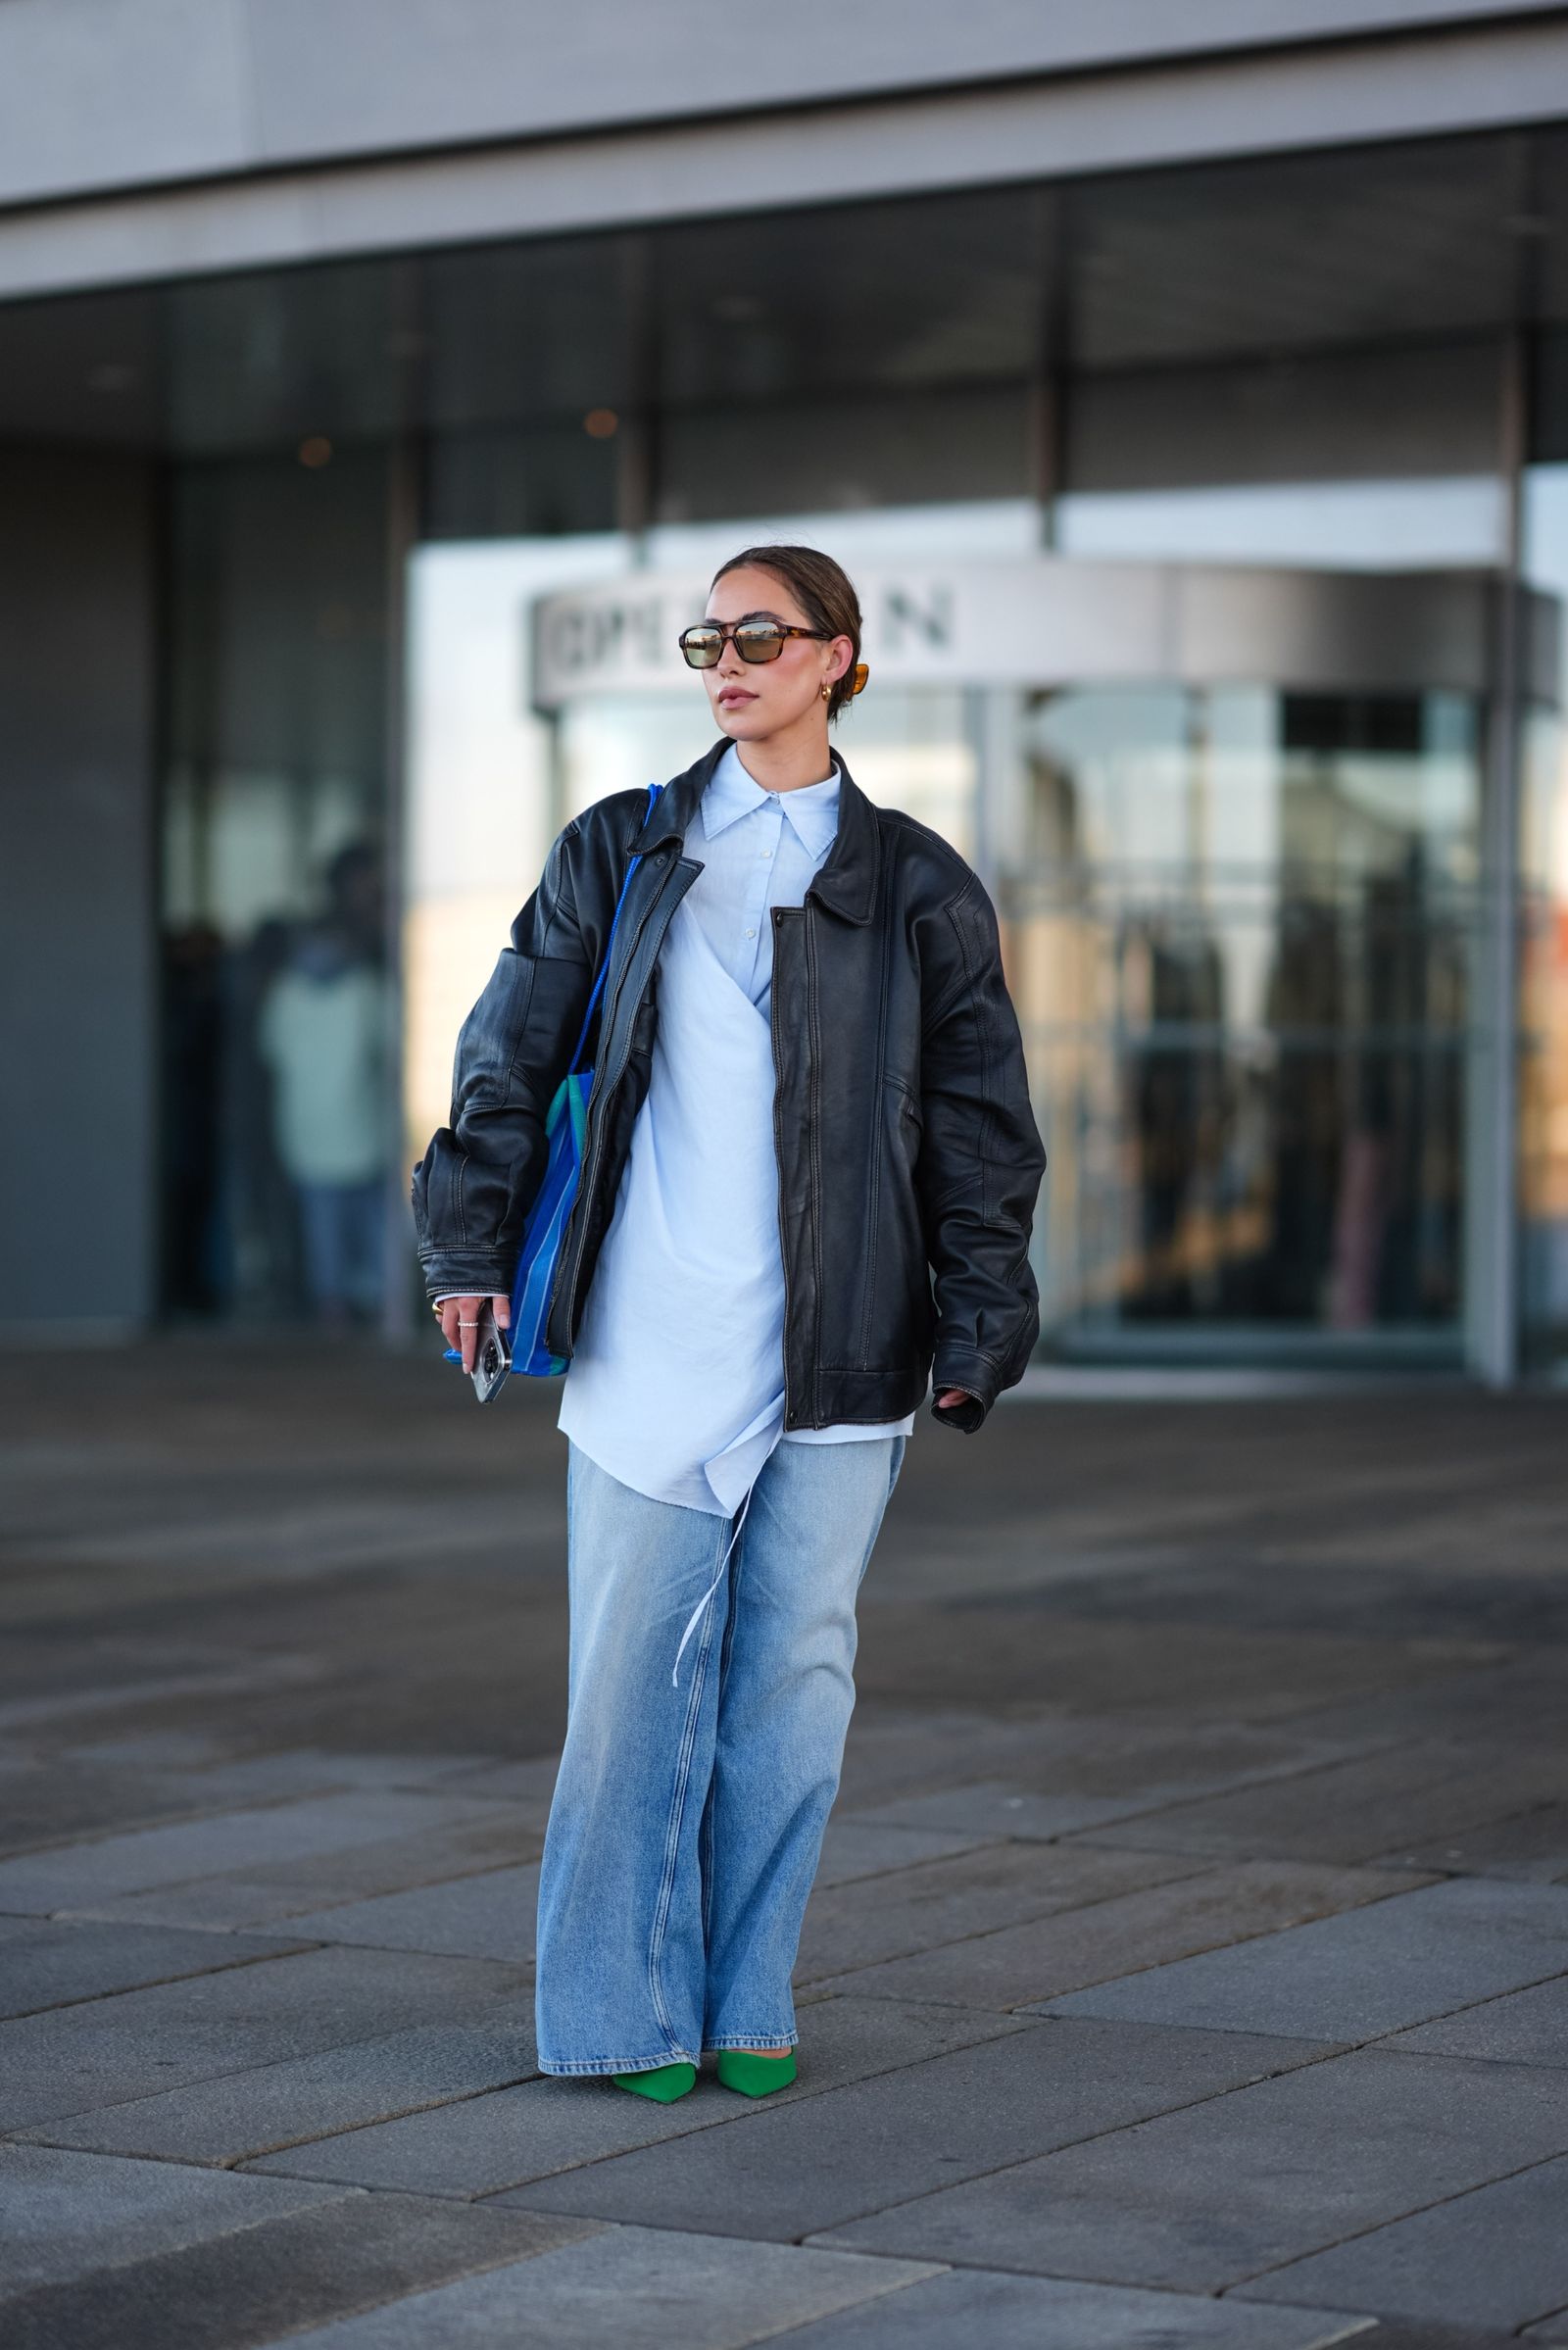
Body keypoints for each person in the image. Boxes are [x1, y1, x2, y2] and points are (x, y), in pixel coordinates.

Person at [414, 545, 1045, 2102]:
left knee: (791, 1696)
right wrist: (467, 1249)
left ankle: (749, 1989)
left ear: (837, 657)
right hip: (651, 1338)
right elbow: (509, 1055)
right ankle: (624, 2011)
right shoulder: (622, 848)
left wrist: (982, 1321)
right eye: (711, 632)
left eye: (762, 632)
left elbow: (981, 1126)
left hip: (844, 1354)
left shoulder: (916, 882)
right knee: (629, 1695)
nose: (728, 654)